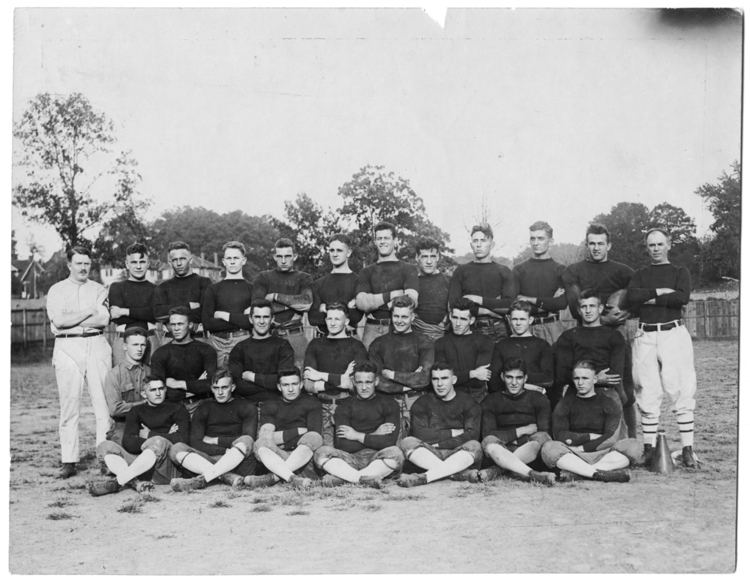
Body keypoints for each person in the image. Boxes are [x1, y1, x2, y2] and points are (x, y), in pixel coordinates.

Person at [627, 228, 698, 467]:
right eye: (651, 245)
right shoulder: (640, 274)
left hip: (672, 332)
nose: (655, 249)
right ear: (646, 248)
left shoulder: (680, 271)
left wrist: (649, 298)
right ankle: (649, 449)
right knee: (646, 390)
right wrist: (660, 292)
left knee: (681, 388)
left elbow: (682, 297)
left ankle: (688, 449)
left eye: (660, 244)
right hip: (645, 333)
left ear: (669, 244)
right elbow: (631, 297)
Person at [561, 222, 638, 436]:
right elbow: (576, 307)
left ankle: (631, 437)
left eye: (601, 243)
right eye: (592, 243)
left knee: (623, 387)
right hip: (585, 333)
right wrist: (601, 320)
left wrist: (628, 311)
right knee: (581, 382)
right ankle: (585, 431)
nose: (596, 248)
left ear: (609, 245)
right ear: (586, 245)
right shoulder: (574, 270)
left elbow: (639, 292)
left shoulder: (622, 271)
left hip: (615, 334)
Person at [46, 245, 112, 479]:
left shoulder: (98, 288)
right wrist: (88, 311)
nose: (83, 267)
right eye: (79, 263)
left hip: (96, 344)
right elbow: (59, 321)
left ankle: (105, 457)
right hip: (66, 347)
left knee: (102, 405)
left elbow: (103, 319)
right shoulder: (57, 290)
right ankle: (69, 460)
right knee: (69, 405)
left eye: (87, 263)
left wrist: (75, 318)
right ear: (69, 265)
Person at [541, 360, 640, 482]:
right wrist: (589, 436)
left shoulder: (609, 402)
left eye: (585, 378)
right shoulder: (565, 404)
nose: (580, 383)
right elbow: (560, 435)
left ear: (595, 379)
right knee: (549, 448)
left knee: (633, 446)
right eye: (576, 378)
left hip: (603, 452)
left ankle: (579, 474)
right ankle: (600, 474)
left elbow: (610, 438)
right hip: (573, 453)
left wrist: (583, 447)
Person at [89, 376, 188, 496]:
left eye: (161, 389)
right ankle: (135, 482)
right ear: (144, 394)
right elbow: (129, 443)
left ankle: (117, 482)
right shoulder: (136, 411)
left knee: (157, 441)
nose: (158, 393)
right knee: (105, 446)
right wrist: (167, 435)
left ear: (165, 390)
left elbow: (183, 439)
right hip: (140, 465)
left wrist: (149, 435)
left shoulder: (177, 408)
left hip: (163, 467)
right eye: (152, 390)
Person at [553, 291, 633, 438]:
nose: (588, 311)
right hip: (576, 389)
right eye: (584, 307)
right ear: (578, 310)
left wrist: (590, 379)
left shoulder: (614, 336)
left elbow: (615, 374)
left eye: (592, 306)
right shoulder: (569, 336)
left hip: (605, 392)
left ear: (601, 308)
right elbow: (562, 375)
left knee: (615, 442)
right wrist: (596, 378)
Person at [314, 361, 405, 487]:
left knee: (396, 453)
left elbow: (388, 442)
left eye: (368, 382)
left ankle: (346, 478)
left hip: (377, 457)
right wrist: (375, 434)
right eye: (359, 382)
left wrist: (356, 435)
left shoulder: (390, 404)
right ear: (353, 382)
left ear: (376, 381)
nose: (364, 387)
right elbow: (344, 445)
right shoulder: (344, 406)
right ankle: (363, 479)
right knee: (321, 453)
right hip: (350, 459)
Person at [397, 362, 483, 487]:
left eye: (444, 378)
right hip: (430, 453)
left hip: (458, 454)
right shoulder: (423, 402)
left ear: (453, 380)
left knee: (474, 446)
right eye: (435, 379)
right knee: (407, 442)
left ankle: (425, 477)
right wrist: (453, 432)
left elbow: (472, 435)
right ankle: (456, 474)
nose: (440, 384)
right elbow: (420, 434)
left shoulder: (468, 402)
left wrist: (440, 443)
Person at [168, 370, 258, 491]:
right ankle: (226, 476)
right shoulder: (204, 407)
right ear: (211, 388)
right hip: (209, 458)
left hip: (238, 460)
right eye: (216, 388)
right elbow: (195, 442)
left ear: (233, 387)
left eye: (224, 387)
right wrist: (226, 450)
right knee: (176, 448)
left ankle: (201, 480)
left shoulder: (246, 406)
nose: (220, 392)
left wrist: (215, 440)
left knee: (246, 441)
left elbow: (248, 440)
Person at [244, 368, 323, 489]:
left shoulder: (312, 403)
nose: (290, 389)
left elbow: (314, 437)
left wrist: (281, 438)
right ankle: (293, 479)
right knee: (261, 443)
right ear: (279, 387)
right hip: (278, 456)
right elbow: (266, 438)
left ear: (301, 385)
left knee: (314, 437)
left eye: (294, 384)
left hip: (304, 459)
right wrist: (298, 431)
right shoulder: (270, 404)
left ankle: (273, 478)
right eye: (286, 385)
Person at [480, 359, 555, 485]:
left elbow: (543, 432)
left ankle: (497, 470)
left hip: (530, 451)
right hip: (501, 450)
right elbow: (488, 434)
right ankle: (532, 474)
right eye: (509, 377)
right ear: (502, 377)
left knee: (543, 437)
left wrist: (509, 437)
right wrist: (521, 431)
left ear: (525, 378)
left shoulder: (539, 399)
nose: (514, 383)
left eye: (519, 378)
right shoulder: (491, 400)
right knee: (488, 441)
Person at [368, 295, 434, 436]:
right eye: (396, 316)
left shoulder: (424, 342)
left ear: (413, 317)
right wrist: (410, 381)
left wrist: (392, 375)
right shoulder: (378, 344)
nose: (399, 321)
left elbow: (424, 379)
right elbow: (377, 381)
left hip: (417, 402)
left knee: (418, 447)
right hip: (388, 403)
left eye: (404, 317)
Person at [303, 302, 368, 445]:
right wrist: (341, 380)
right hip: (320, 407)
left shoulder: (356, 346)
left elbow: (355, 386)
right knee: (323, 452)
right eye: (329, 319)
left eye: (337, 319)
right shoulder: (315, 344)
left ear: (347, 321)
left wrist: (320, 375)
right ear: (325, 320)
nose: (332, 323)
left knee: (347, 451)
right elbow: (308, 385)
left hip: (348, 406)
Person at [448, 224, 517, 342]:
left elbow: (509, 304)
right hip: (467, 327)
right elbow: (454, 304)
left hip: (497, 328)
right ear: (471, 245)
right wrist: (488, 311)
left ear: (492, 244)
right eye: (475, 241)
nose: (479, 245)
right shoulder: (461, 271)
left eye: (483, 240)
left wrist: (478, 300)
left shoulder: (503, 271)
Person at [355, 222, 419, 349]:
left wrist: (374, 302)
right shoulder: (367, 271)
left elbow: (411, 300)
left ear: (395, 240)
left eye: (386, 238)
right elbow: (362, 303)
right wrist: (393, 295)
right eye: (379, 238)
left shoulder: (408, 269)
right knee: (369, 367)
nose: (382, 242)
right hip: (372, 329)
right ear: (375, 241)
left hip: (399, 328)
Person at [252, 238, 313, 368]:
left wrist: (275, 296)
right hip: (270, 335)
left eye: (287, 256)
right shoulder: (264, 277)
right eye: (280, 256)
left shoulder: (303, 277)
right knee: (268, 375)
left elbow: (306, 303)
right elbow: (257, 306)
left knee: (299, 377)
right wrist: (292, 306)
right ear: (275, 257)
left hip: (295, 335)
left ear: (295, 256)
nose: (284, 260)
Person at [150, 306, 218, 415]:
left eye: (180, 324)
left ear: (190, 325)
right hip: (173, 407)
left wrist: (179, 384)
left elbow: (211, 384)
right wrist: (195, 387)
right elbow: (158, 389)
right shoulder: (160, 353)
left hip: (202, 405)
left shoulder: (206, 350)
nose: (176, 329)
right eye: (173, 324)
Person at [513, 221, 570, 344]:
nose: (535, 243)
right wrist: (548, 304)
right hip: (525, 328)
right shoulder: (519, 269)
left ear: (551, 241)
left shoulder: (560, 270)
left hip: (552, 328)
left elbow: (561, 303)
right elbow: (514, 303)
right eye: (532, 238)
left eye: (540, 238)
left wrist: (529, 300)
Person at [227, 300, 296, 404]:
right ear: (251, 319)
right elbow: (236, 385)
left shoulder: (283, 345)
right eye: (257, 317)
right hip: (247, 406)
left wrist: (252, 377)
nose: (262, 321)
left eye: (266, 317)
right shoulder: (239, 348)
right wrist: (270, 383)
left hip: (276, 406)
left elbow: (286, 381)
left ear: (272, 319)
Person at [202, 241, 253, 368]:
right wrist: (240, 317)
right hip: (217, 343)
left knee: (242, 382)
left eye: (236, 258)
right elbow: (207, 323)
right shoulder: (213, 289)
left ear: (244, 260)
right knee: (219, 383)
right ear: (223, 262)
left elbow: (252, 322)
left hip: (243, 340)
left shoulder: (252, 289)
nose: (232, 261)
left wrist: (223, 315)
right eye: (229, 258)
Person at [433, 298, 495, 403]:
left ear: (472, 320)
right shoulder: (441, 343)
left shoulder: (484, 341)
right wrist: (472, 374)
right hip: (449, 396)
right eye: (455, 317)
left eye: (463, 319)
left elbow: (478, 382)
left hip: (476, 397)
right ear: (449, 317)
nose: (457, 323)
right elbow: (442, 379)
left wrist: (456, 377)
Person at [153, 241, 212, 346]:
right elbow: (158, 314)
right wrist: (189, 305)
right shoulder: (163, 287)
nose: (179, 263)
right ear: (170, 262)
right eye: (175, 260)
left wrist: (171, 313)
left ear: (190, 260)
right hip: (170, 340)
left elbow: (205, 313)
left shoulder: (204, 282)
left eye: (182, 259)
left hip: (197, 339)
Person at [108, 242, 157, 365]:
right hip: (123, 339)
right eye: (134, 262)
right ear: (127, 264)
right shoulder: (116, 287)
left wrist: (124, 311)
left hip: (150, 338)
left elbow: (155, 314)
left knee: (152, 380)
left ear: (148, 263)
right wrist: (145, 314)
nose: (138, 266)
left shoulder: (156, 289)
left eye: (142, 262)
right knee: (124, 381)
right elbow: (117, 318)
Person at [489, 300, 553, 394]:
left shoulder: (542, 345)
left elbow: (548, 378)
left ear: (530, 320)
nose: (518, 323)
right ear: (509, 319)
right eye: (515, 319)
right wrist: (526, 385)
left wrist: (512, 380)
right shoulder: (501, 345)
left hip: (535, 398)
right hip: (507, 398)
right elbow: (494, 381)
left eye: (522, 319)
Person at [102, 326, 150, 445]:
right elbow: (115, 410)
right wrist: (145, 403)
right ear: (124, 346)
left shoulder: (151, 372)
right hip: (123, 425)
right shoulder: (114, 374)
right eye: (135, 345)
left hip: (149, 423)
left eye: (142, 345)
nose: (139, 349)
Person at [309, 233, 363, 337]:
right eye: (332, 250)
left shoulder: (358, 281)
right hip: (324, 340)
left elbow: (356, 317)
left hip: (349, 340)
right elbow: (313, 318)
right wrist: (347, 307)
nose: (335, 254)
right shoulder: (319, 283)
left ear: (349, 252)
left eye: (339, 250)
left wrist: (326, 308)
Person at [412, 238, 450, 343]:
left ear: (438, 257)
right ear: (417, 257)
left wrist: (444, 324)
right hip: (417, 337)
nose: (429, 261)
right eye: (424, 256)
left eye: (432, 256)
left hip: (443, 337)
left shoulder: (448, 281)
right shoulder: (411, 282)